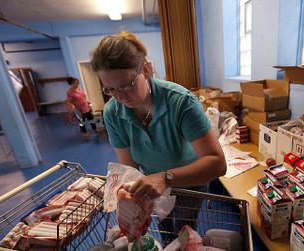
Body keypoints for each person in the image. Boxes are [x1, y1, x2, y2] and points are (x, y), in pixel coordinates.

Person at [91, 32, 226, 238]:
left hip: (190, 179)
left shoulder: (180, 102)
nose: (120, 97)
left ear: (145, 70)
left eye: (127, 85)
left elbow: (217, 163)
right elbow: (129, 167)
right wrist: (127, 202)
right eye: (110, 89)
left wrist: (166, 178)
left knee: (183, 230)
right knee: (164, 229)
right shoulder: (113, 112)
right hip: (154, 183)